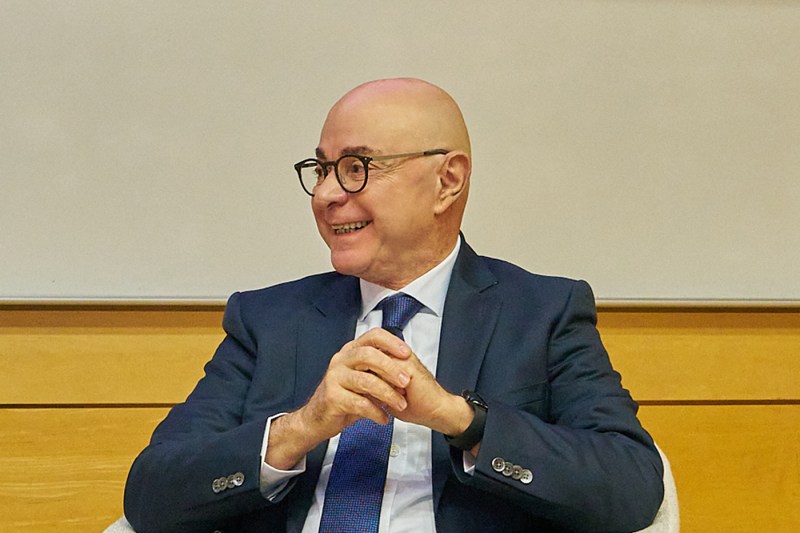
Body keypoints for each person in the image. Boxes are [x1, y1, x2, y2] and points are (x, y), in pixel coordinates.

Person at [124, 78, 664, 533]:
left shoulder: (541, 313)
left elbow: (631, 486)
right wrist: (300, 429)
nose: (327, 194)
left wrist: (462, 420)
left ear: (446, 182)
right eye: (321, 168)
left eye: (357, 166)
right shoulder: (268, 320)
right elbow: (151, 495)